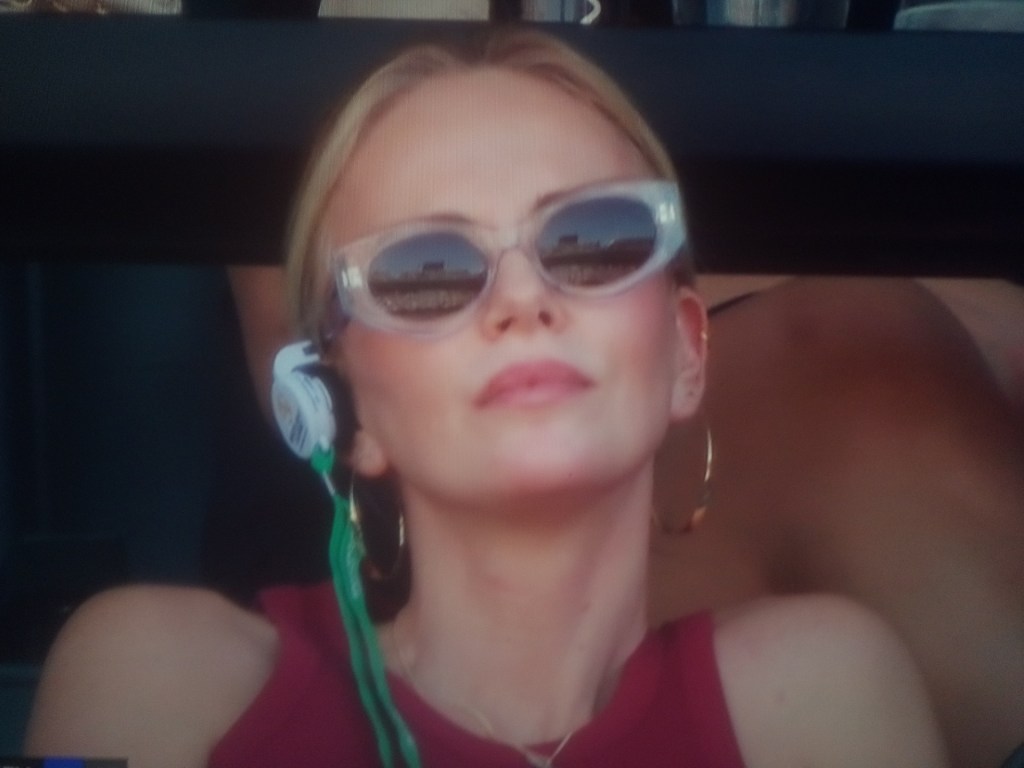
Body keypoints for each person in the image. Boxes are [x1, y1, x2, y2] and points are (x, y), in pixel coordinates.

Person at [25, 27, 950, 768]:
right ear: (343, 405)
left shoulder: (819, 691)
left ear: (684, 350)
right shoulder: (156, 676)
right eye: (424, 270)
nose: (522, 298)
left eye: (595, 239)